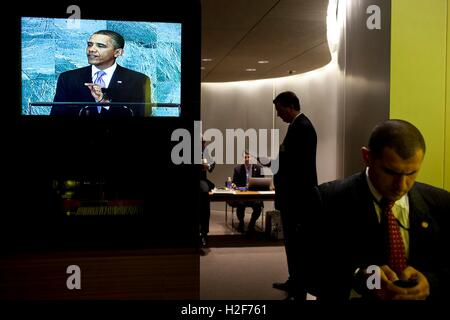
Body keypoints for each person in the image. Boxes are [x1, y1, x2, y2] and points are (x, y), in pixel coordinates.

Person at [303, 119, 450, 301]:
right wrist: (360, 278)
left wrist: (431, 282)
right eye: (391, 172)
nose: (401, 185)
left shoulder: (441, 203)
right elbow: (308, 273)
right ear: (367, 157)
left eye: (411, 173)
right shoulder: (327, 200)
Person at [272, 91, 318, 299]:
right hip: (294, 197)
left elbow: (297, 167)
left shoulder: (303, 128)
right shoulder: (297, 127)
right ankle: (295, 280)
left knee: (297, 244)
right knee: (292, 243)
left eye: (280, 110)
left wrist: (274, 161)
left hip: (297, 199)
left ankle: (299, 284)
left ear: (290, 106)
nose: (279, 115)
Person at [51, 30, 151, 117]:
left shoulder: (138, 80)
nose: (91, 49)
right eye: (90, 44)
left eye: (100, 46)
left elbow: (141, 114)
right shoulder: (68, 78)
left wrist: (104, 102)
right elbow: (57, 113)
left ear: (117, 53)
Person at [231, 151, 264, 234]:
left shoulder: (259, 168)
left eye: (249, 157)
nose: (247, 159)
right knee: (240, 205)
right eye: (245, 157)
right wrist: (234, 185)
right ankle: (241, 223)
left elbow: (263, 182)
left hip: (254, 195)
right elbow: (234, 183)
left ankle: (252, 224)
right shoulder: (238, 169)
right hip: (242, 195)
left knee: (258, 206)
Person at [199, 139, 215, 248]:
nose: (203, 144)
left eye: (203, 142)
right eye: (201, 142)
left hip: (201, 181)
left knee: (205, 209)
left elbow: (213, 164)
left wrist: (208, 166)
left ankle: (204, 233)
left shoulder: (205, 152)